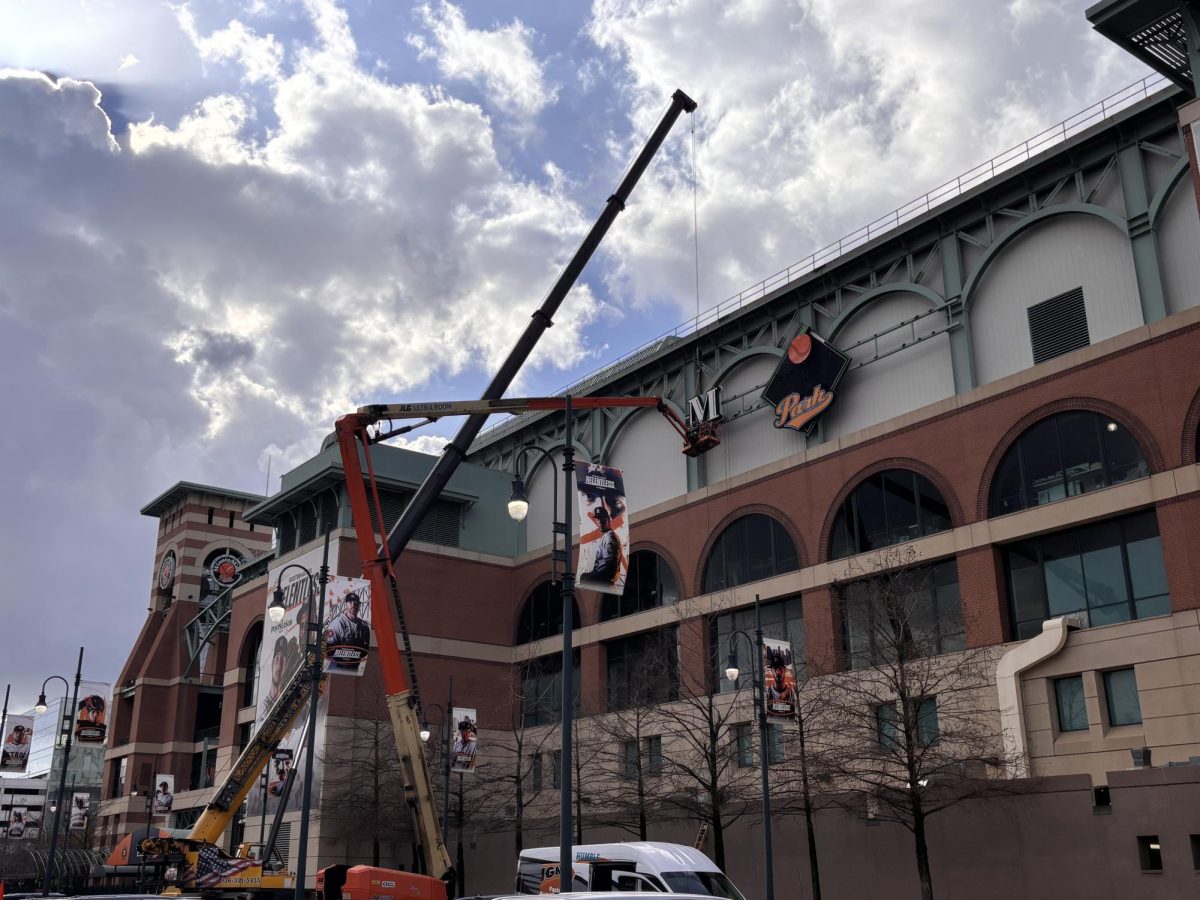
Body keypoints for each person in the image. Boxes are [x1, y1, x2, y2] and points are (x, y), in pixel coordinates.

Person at [581, 505, 624, 586]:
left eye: (602, 518)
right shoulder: (606, 536)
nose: (600, 521)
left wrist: (594, 577)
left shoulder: (609, 537)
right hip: (602, 576)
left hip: (605, 579)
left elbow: (610, 566)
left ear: (608, 519)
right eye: (598, 519)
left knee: (583, 578)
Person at [324, 591, 370, 662]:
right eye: (350, 602)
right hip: (338, 665)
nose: (353, 605)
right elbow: (329, 650)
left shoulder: (364, 625)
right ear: (346, 604)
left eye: (356, 602)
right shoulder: (337, 623)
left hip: (355, 666)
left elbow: (367, 649)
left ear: (359, 605)